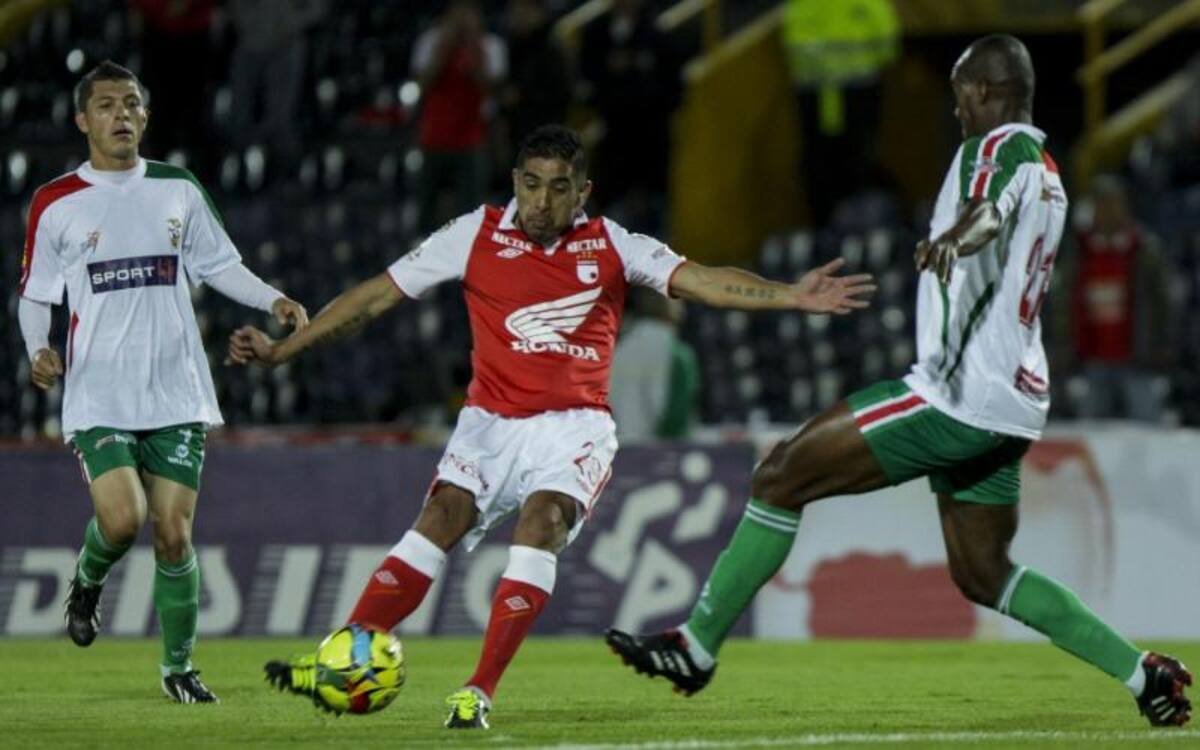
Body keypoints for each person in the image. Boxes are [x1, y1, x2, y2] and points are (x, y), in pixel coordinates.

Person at [605, 36, 1194, 728]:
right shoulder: (1051, 172)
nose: (955, 106)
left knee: (779, 475)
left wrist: (953, 239)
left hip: (956, 395)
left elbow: (987, 211)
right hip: (1012, 402)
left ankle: (696, 646)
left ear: (985, 90)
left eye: (960, 91)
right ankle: (1143, 673)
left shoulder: (996, 149)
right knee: (984, 574)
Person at [229, 124, 875, 729]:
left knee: (542, 522)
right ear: (515, 181)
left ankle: (478, 689)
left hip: (574, 426)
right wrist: (284, 352)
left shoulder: (613, 244)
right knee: (440, 517)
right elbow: (376, 295)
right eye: (531, 184)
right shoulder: (473, 234)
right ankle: (341, 655)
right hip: (488, 421)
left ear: (581, 192)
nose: (542, 201)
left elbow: (701, 280)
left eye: (559, 187)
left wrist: (790, 294)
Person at [16, 61, 308, 703]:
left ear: (145, 116)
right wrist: (38, 348)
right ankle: (89, 579)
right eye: (106, 105)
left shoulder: (177, 187)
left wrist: (273, 299)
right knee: (123, 522)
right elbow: (36, 294)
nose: (121, 114)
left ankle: (179, 668)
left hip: (176, 390)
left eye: (131, 104)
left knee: (173, 534)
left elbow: (220, 265)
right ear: (82, 119)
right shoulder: (55, 201)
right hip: (100, 394)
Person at [1055, 175, 1171, 422]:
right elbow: (1062, 301)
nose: (1108, 211)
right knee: (1090, 427)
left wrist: (1162, 345)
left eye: (1114, 203)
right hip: (1091, 359)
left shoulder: (1144, 248)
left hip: (1137, 357)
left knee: (1147, 427)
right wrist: (1064, 348)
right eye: (1102, 204)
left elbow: (1163, 302)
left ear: (1126, 206)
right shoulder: (1078, 251)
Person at [411, 0, 508, 234]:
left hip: (472, 138)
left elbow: (493, 90)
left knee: (471, 206)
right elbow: (422, 86)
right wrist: (444, 48)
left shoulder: (491, 45)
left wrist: (474, 51)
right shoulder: (430, 41)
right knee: (427, 204)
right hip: (433, 136)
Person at [609, 288, 699, 440]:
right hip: (659, 448)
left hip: (620, 444)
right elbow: (677, 419)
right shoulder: (678, 355)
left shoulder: (621, 347)